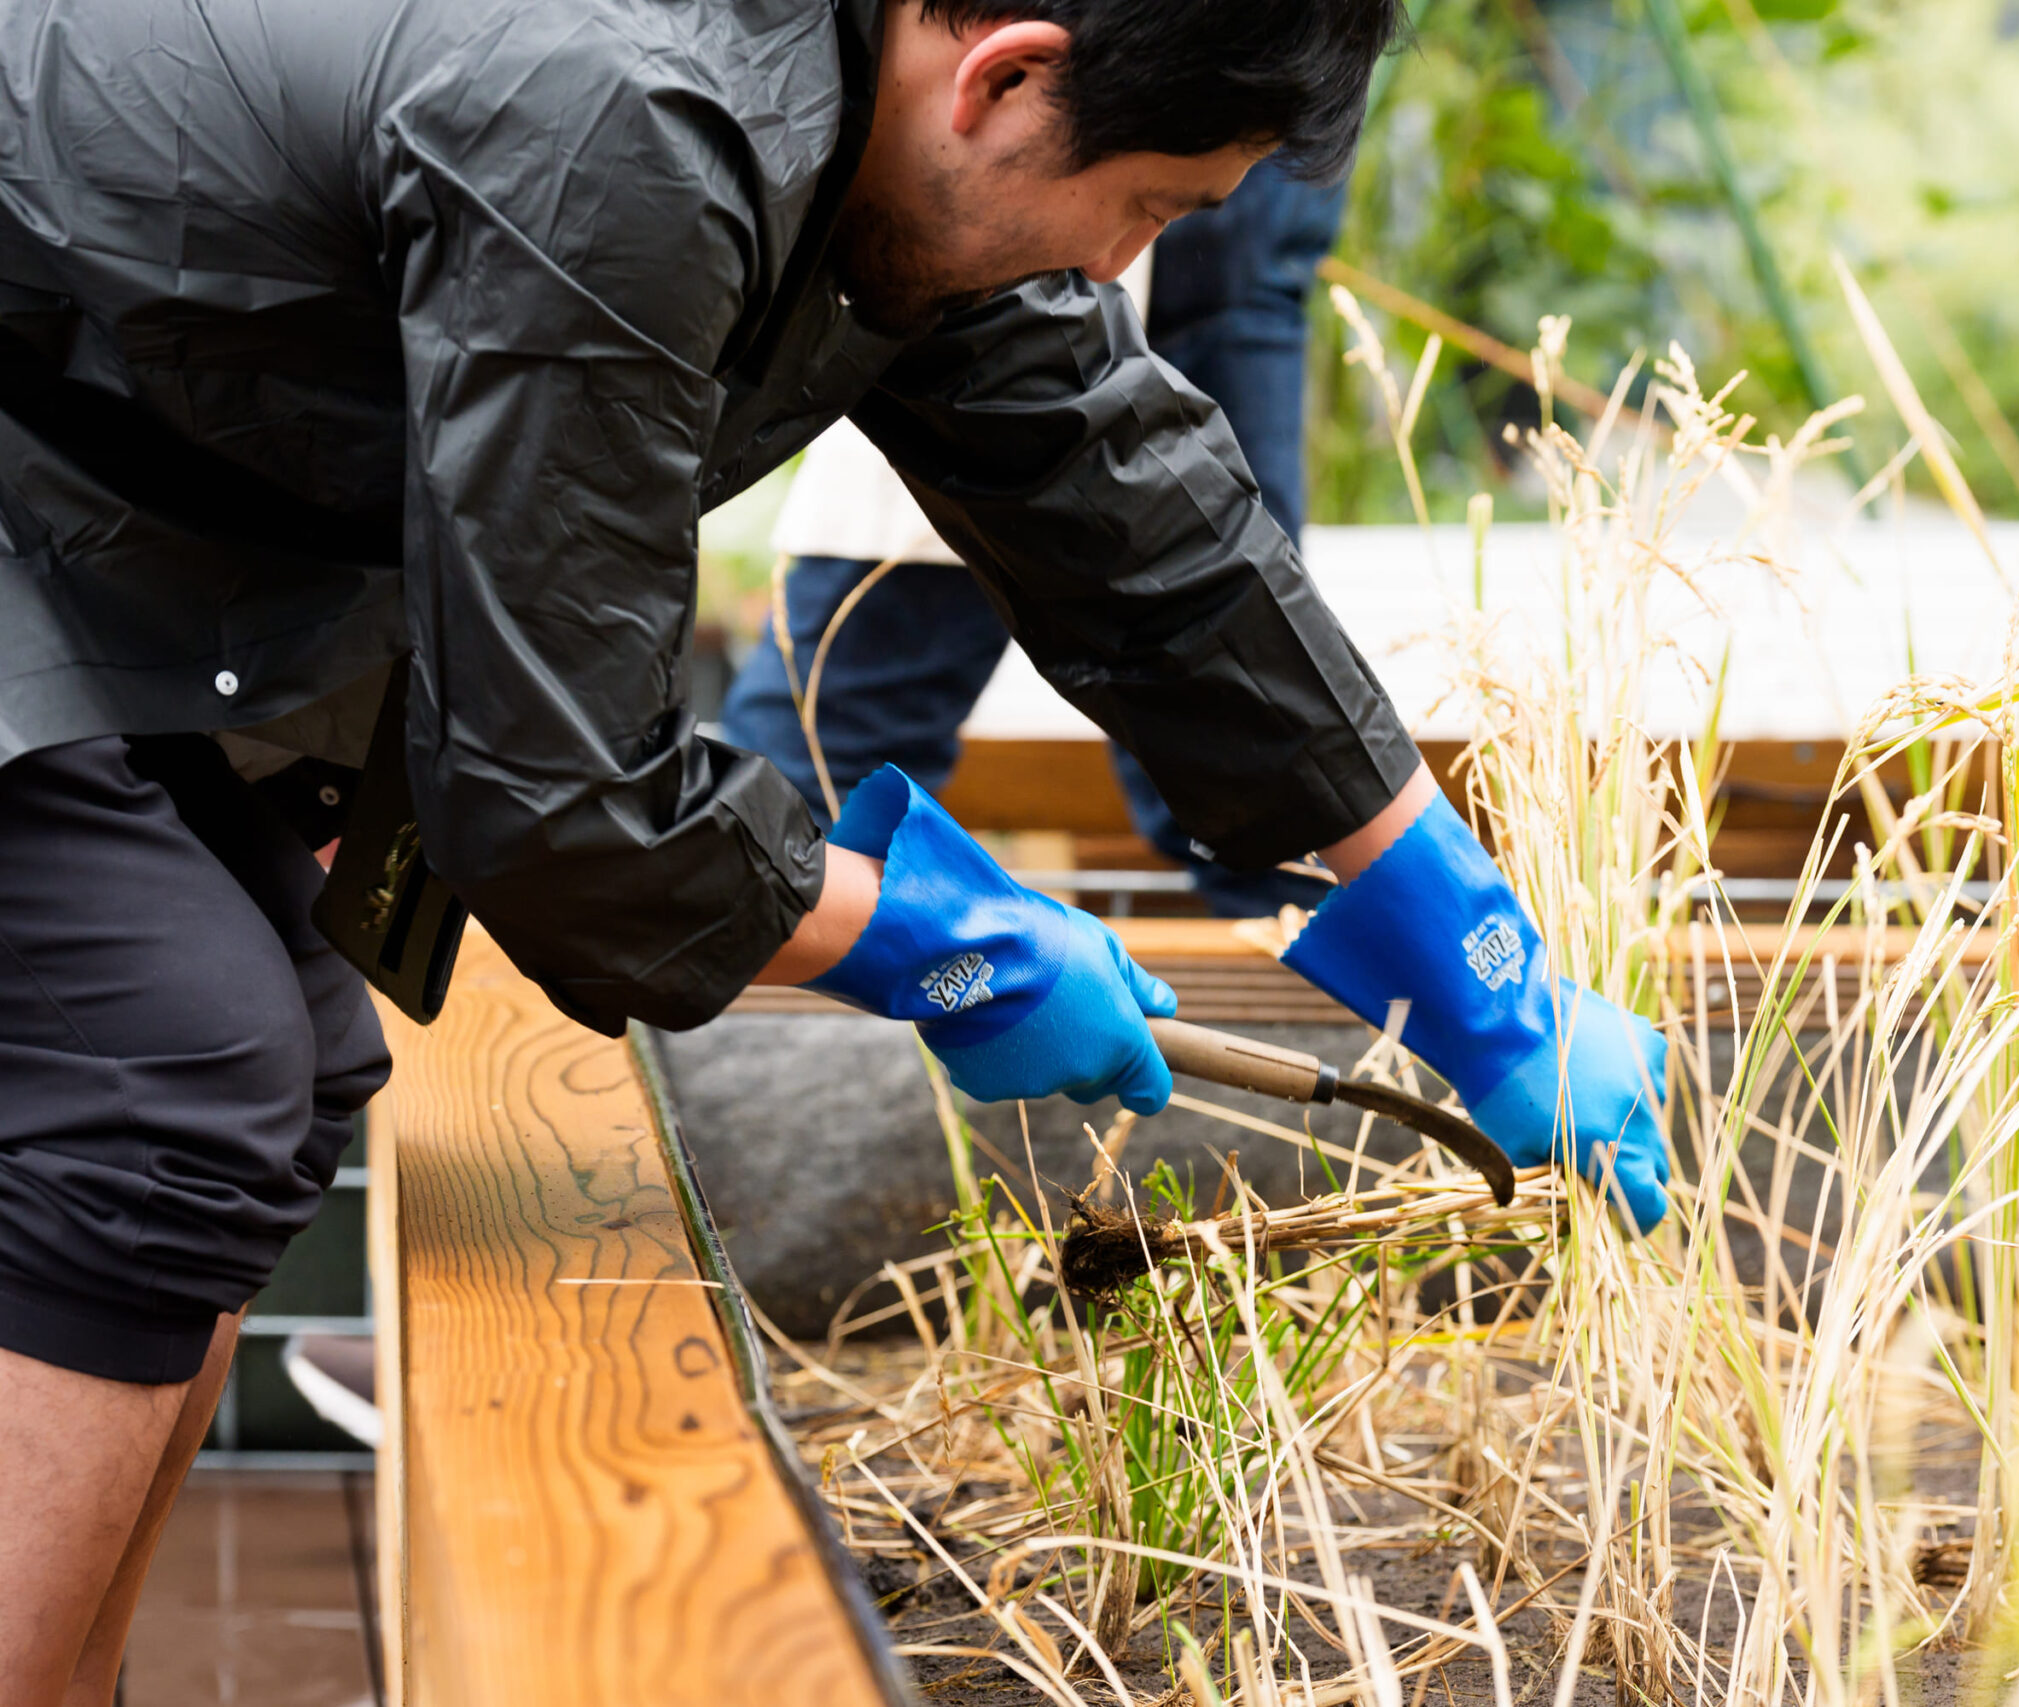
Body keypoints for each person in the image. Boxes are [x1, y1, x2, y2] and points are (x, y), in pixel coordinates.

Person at [0, 3, 1671, 1701]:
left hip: (116, 480)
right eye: (1153, 210)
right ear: (1008, 75)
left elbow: (1142, 517)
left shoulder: (891, 141)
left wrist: (1473, 955)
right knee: (168, 1057)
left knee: (278, 1050)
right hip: (45, 448)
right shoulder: (627, 118)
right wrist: (938, 944)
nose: (1119, 267)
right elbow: (555, 795)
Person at [722, 155, 1345, 915]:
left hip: (1229, 147)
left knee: (1250, 730)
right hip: (1087, 137)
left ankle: (1307, 927)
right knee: (821, 760)